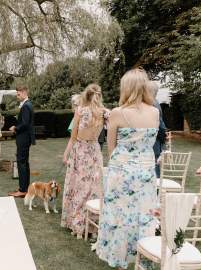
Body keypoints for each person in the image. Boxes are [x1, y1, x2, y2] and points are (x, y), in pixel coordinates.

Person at [96, 68, 159, 269]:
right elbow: (149, 143)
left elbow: (111, 146)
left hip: (121, 171)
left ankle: (119, 256)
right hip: (146, 171)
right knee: (144, 215)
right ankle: (143, 257)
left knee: (120, 216)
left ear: (127, 88)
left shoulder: (117, 113)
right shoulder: (155, 112)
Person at [60, 84, 108, 239]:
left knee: (78, 187)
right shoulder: (104, 113)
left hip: (80, 152)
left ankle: (77, 223)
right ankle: (92, 224)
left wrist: (65, 154)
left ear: (84, 96)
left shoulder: (80, 111)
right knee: (94, 187)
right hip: (95, 152)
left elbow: (73, 137)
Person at [8, 86, 35, 198]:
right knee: (24, 163)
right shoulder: (28, 105)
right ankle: (24, 188)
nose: (17, 96)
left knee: (21, 163)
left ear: (24, 92)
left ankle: (23, 190)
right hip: (25, 138)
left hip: (23, 138)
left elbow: (24, 123)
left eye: (18, 94)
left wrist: (15, 128)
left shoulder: (26, 106)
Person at [147, 81, 167, 177]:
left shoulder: (152, 104)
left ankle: (156, 190)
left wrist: (163, 140)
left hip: (154, 141)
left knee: (155, 168)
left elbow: (160, 125)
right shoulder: (155, 102)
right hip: (155, 141)